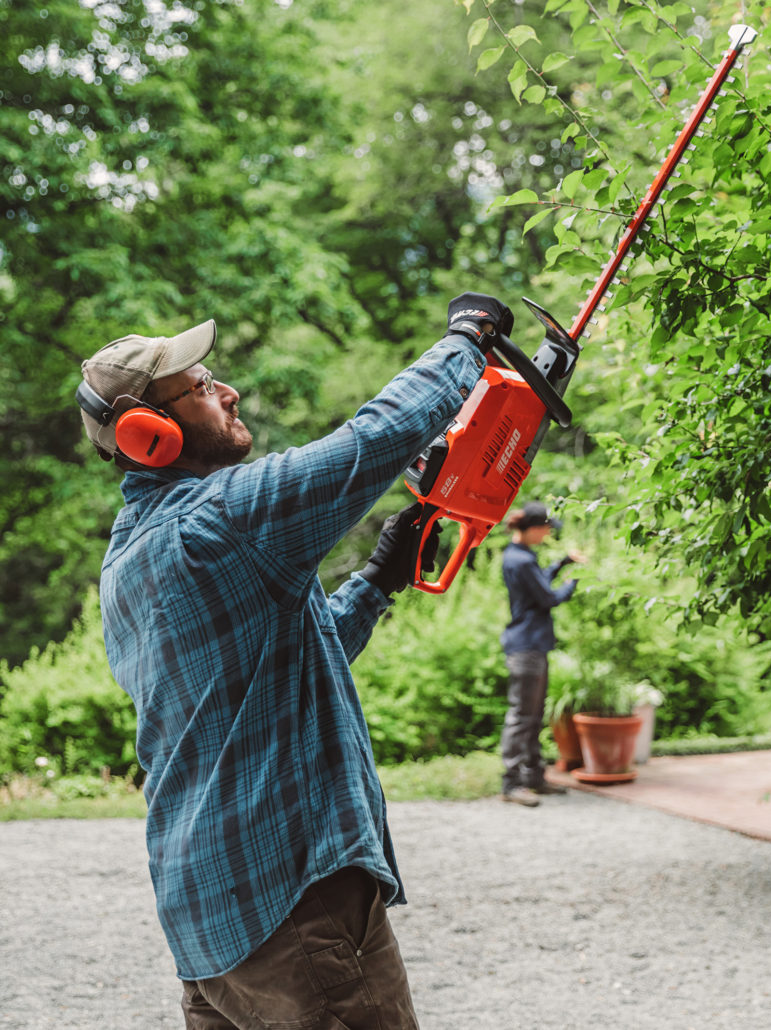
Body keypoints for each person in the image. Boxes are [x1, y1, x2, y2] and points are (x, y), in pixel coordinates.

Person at [75, 292, 513, 1029]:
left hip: (207, 932)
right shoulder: (219, 520)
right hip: (292, 912)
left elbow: (283, 668)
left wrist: (376, 580)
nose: (227, 389)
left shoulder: (124, 564)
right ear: (148, 433)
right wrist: (469, 342)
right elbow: (375, 440)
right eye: (203, 387)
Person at [499, 501, 582, 807]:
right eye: (546, 528)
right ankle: (511, 783)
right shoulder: (519, 560)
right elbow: (548, 598)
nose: (548, 533)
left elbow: (540, 583)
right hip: (526, 647)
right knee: (522, 717)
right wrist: (575, 581)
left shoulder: (520, 556)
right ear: (532, 528)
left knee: (533, 716)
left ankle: (534, 777)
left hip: (531, 646)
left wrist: (563, 563)